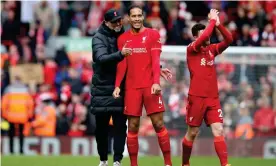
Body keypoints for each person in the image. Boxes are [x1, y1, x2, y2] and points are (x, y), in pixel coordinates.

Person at [91, 9, 172, 166]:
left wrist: (156, 78)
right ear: (129, 18)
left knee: (157, 124)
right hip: (123, 88)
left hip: (147, 85)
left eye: (139, 15)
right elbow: (120, 63)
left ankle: (167, 163)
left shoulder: (152, 34)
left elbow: (153, 60)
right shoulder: (116, 38)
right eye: (133, 16)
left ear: (142, 17)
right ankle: (123, 162)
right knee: (128, 127)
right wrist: (116, 86)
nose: (136, 19)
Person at [182, 9, 233, 166]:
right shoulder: (192, 48)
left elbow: (229, 39)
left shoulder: (212, 50)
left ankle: (225, 164)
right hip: (196, 97)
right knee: (192, 133)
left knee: (219, 130)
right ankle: (185, 163)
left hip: (213, 98)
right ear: (196, 36)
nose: (208, 35)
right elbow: (204, 36)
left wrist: (218, 24)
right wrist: (211, 21)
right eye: (204, 33)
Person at [1, 76, 34, 154]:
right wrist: (29, 115)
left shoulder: (9, 89)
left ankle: (11, 150)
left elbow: (3, 104)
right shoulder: (25, 90)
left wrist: (5, 115)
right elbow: (30, 104)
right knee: (21, 134)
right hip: (23, 117)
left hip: (11, 116)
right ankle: (21, 150)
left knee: (11, 134)